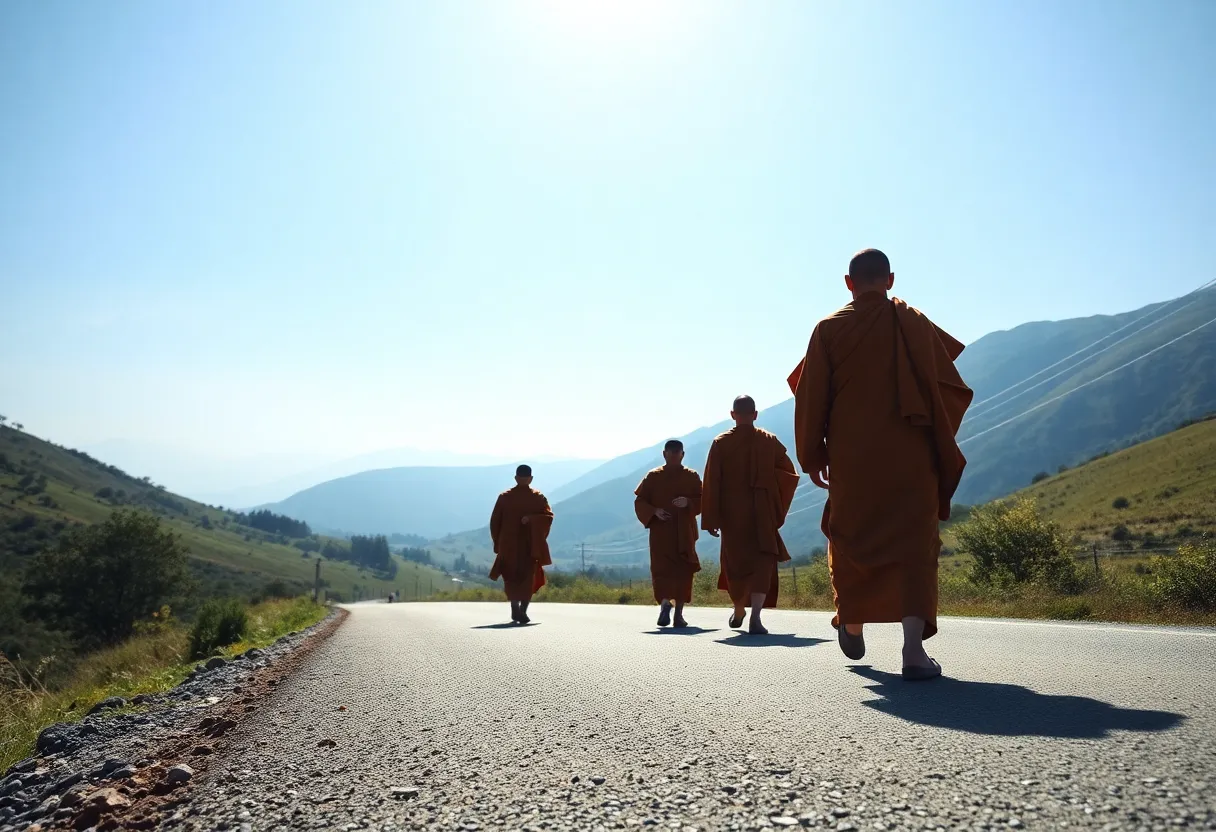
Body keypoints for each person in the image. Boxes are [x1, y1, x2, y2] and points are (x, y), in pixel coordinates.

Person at [790, 248, 973, 680]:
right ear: (890, 280)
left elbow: (810, 397)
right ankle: (913, 652)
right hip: (910, 454)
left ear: (848, 283)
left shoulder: (828, 329)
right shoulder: (915, 323)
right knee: (914, 544)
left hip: (852, 458)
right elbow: (946, 388)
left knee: (851, 535)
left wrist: (812, 454)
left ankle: (852, 620)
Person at [701, 395, 800, 635]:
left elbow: (711, 482)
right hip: (763, 513)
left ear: (733, 415)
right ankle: (755, 616)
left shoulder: (721, 443)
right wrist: (771, 494)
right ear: (755, 415)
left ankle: (738, 610)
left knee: (735, 564)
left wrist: (711, 519)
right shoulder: (769, 441)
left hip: (733, 516)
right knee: (762, 563)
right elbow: (788, 474)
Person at [634, 439, 703, 628]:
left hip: (671, 531)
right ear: (667, 454)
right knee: (681, 570)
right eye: (672, 453)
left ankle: (666, 604)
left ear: (681, 454)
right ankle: (678, 614)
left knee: (665, 569)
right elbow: (640, 502)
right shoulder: (660, 477)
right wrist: (655, 511)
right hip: (670, 532)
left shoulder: (661, 476)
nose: (673, 456)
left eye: (675, 453)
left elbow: (702, 499)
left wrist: (688, 502)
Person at [488, 464, 555, 624]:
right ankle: (516, 609)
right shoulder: (507, 497)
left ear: (529, 479)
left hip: (527, 545)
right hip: (511, 545)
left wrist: (531, 519)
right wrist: (498, 542)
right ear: (517, 479)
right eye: (522, 478)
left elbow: (548, 516)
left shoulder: (536, 498)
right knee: (512, 577)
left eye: (526, 478)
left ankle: (521, 610)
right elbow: (495, 521)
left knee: (525, 578)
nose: (524, 480)